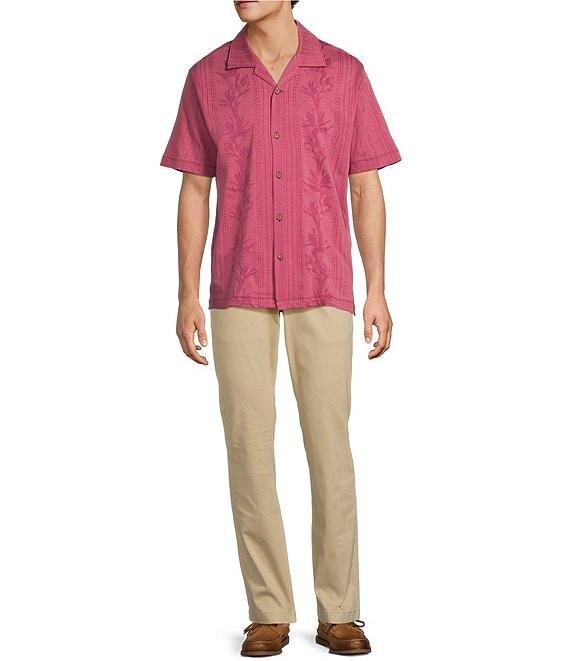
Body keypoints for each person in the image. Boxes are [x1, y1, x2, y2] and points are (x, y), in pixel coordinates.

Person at [160, 0, 400, 655]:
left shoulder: (343, 74)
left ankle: (340, 610)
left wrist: (377, 287)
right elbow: (194, 189)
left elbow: (365, 184)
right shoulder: (207, 77)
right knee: (248, 446)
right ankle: (268, 608)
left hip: (323, 281)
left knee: (329, 446)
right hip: (238, 285)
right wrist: (186, 294)